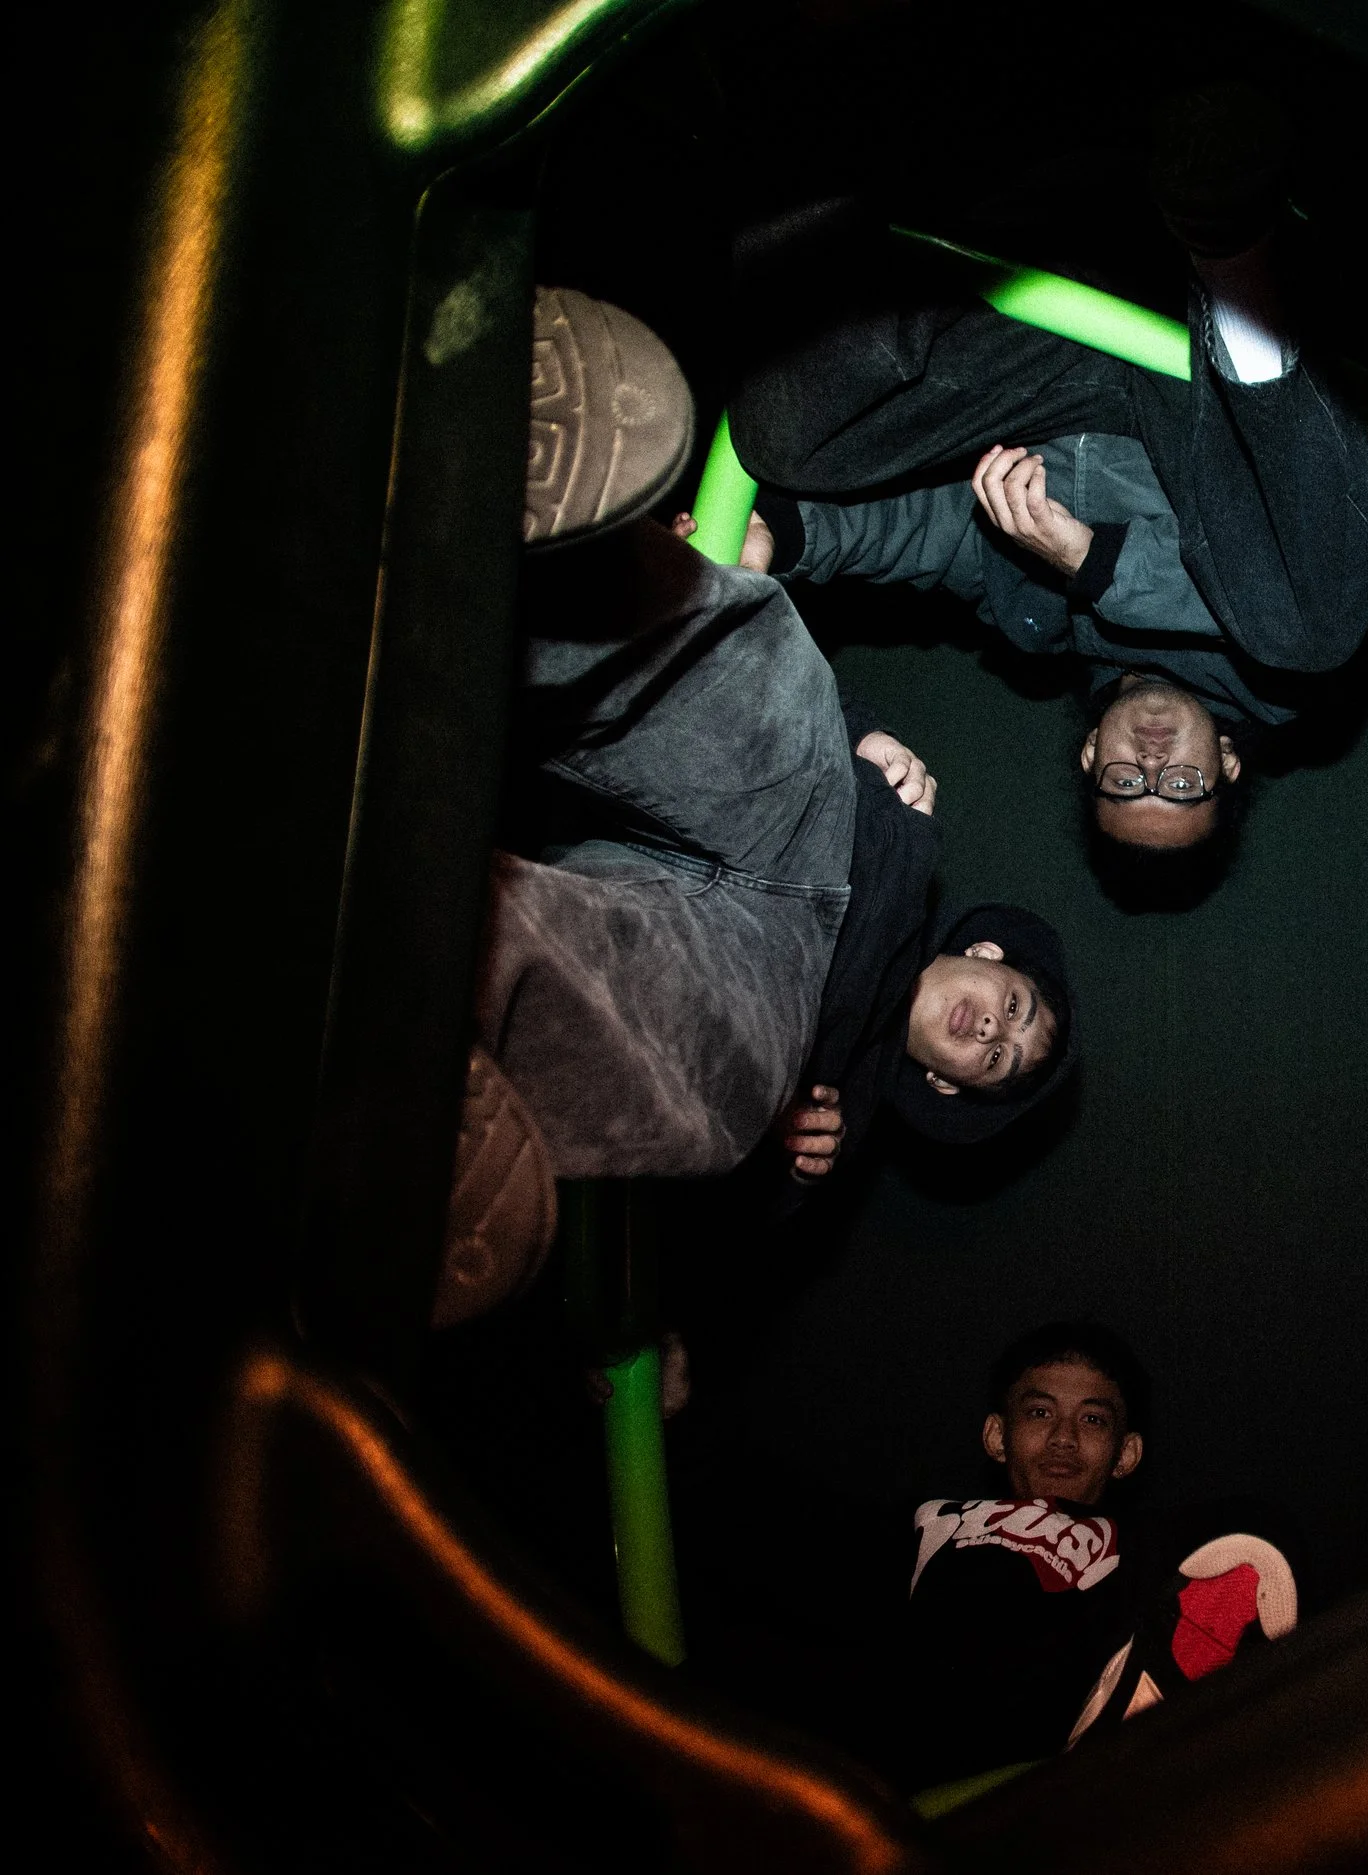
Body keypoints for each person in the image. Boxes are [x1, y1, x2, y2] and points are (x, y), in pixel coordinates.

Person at [433, 288, 1078, 1327]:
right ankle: (492, 546)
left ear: (949, 1086)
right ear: (990, 960)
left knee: (723, 1090)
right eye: (1016, 1008)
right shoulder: (914, 849)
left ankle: (436, 1015)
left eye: (994, 1055)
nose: (993, 1027)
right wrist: (859, 729)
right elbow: (820, 748)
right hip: (803, 838)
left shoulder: (840, 1121)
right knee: (765, 681)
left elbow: (735, 1232)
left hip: (751, 977)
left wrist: (789, 1169)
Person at [727, 87, 1368, 885]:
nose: (1151, 762)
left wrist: (786, 537)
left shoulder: (1036, 616)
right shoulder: (1278, 680)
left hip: (1051, 341)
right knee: (1311, 630)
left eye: (1124, 783)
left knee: (786, 440)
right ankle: (1230, 231)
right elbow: (1296, 600)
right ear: (1226, 762)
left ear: (1089, 756)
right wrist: (1093, 560)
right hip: (1191, 368)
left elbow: (928, 533)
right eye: (1181, 785)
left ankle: (801, 139)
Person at [890, 1323, 1299, 1792]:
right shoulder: (930, 1519)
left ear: (1126, 1454)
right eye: (1040, 1412)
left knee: (1252, 1536)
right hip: (934, 1712)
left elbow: (1257, 1534)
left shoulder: (1144, 1541)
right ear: (997, 1436)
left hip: (1065, 1708)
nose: (1063, 1438)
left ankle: (1138, 1714)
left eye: (1093, 1420)